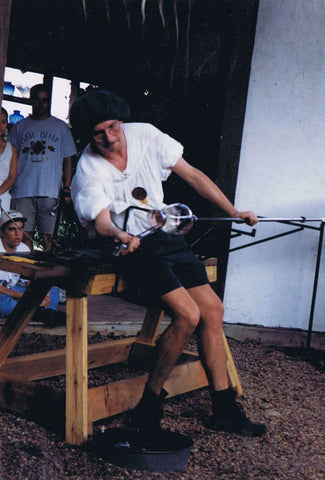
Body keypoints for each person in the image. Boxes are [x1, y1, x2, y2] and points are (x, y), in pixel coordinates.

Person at [69, 90, 267, 437]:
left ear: (122, 121)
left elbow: (192, 175)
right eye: (99, 133)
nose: (110, 138)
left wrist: (233, 212)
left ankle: (223, 407)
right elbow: (101, 221)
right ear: (89, 134)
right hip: (128, 245)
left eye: (114, 127)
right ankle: (149, 405)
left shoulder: (145, 134)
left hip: (165, 236)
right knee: (188, 315)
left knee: (213, 311)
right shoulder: (87, 169)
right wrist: (120, 235)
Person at [8, 84, 77, 251]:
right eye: (37, 100)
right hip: (22, 190)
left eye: (45, 100)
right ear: (32, 101)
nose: (41, 104)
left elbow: (68, 160)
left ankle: (47, 277)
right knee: (24, 238)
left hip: (50, 191)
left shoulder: (60, 127)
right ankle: (26, 277)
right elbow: (11, 157)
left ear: (49, 102)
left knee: (49, 240)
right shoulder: (20, 127)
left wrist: (66, 189)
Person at [0, 210, 64, 327]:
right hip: (4, 293)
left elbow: (26, 278)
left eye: (20, 229)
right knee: (2, 302)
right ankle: (40, 314)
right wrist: (25, 297)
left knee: (52, 290)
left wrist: (39, 293)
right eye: (12, 229)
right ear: (2, 232)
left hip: (14, 290)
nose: (18, 233)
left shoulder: (23, 248)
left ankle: (45, 311)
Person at [0, 107, 17, 211]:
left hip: (3, 196)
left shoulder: (12, 149)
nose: (0, 125)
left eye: (4, 121)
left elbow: (11, 177)